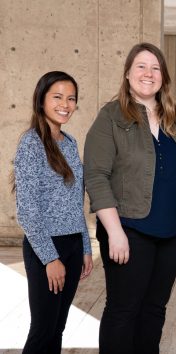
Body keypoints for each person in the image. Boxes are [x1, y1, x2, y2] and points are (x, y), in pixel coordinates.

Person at [84, 42, 176, 354]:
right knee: (124, 310)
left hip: (170, 231)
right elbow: (96, 175)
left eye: (155, 68)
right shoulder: (110, 116)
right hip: (128, 229)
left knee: (155, 309)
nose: (148, 73)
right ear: (127, 73)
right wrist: (115, 233)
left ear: (163, 77)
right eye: (141, 66)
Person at [13, 71, 93, 354]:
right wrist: (50, 258)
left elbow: (75, 202)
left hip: (72, 244)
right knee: (43, 330)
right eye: (57, 97)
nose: (66, 104)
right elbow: (27, 211)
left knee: (57, 328)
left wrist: (84, 247)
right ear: (41, 100)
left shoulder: (70, 143)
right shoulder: (31, 144)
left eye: (71, 98)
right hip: (46, 247)